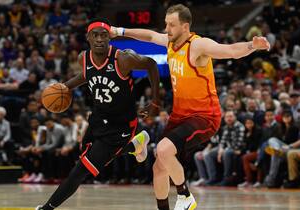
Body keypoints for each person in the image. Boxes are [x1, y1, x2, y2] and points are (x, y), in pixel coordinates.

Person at [111, 4, 270, 210]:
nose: (166, 29)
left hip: (204, 116)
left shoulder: (198, 45)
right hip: (180, 115)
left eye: (172, 25)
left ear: (185, 27)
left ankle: (185, 195)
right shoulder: (170, 41)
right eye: (166, 24)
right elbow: (149, 36)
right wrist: (120, 31)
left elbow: (229, 51)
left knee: (163, 149)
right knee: (159, 166)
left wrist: (251, 45)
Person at [36, 18, 160, 210]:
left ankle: (47, 208)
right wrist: (65, 87)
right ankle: (135, 145)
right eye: (96, 35)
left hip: (121, 125)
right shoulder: (83, 59)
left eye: (104, 35)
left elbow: (151, 64)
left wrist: (155, 102)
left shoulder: (123, 58)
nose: (100, 39)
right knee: (87, 157)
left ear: (110, 38)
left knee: (80, 171)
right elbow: (87, 75)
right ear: (88, 38)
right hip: (97, 119)